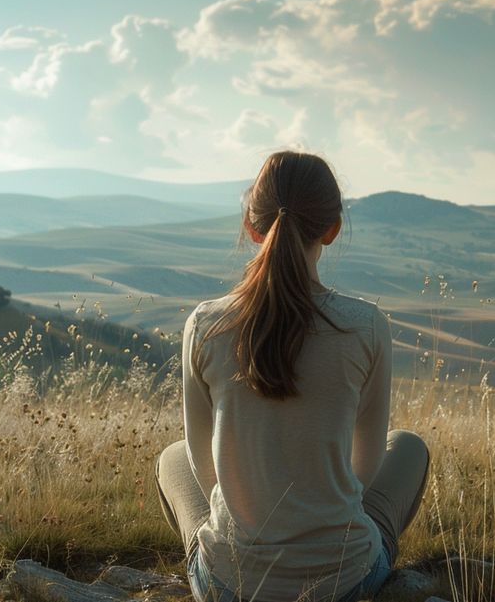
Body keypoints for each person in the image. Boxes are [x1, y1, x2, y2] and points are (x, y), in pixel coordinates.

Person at [154, 151, 431, 602]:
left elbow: (206, 470)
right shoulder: (365, 325)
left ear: (251, 225)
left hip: (231, 584)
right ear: (332, 229)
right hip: (344, 579)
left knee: (173, 458)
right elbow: (363, 472)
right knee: (409, 447)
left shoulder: (206, 325)